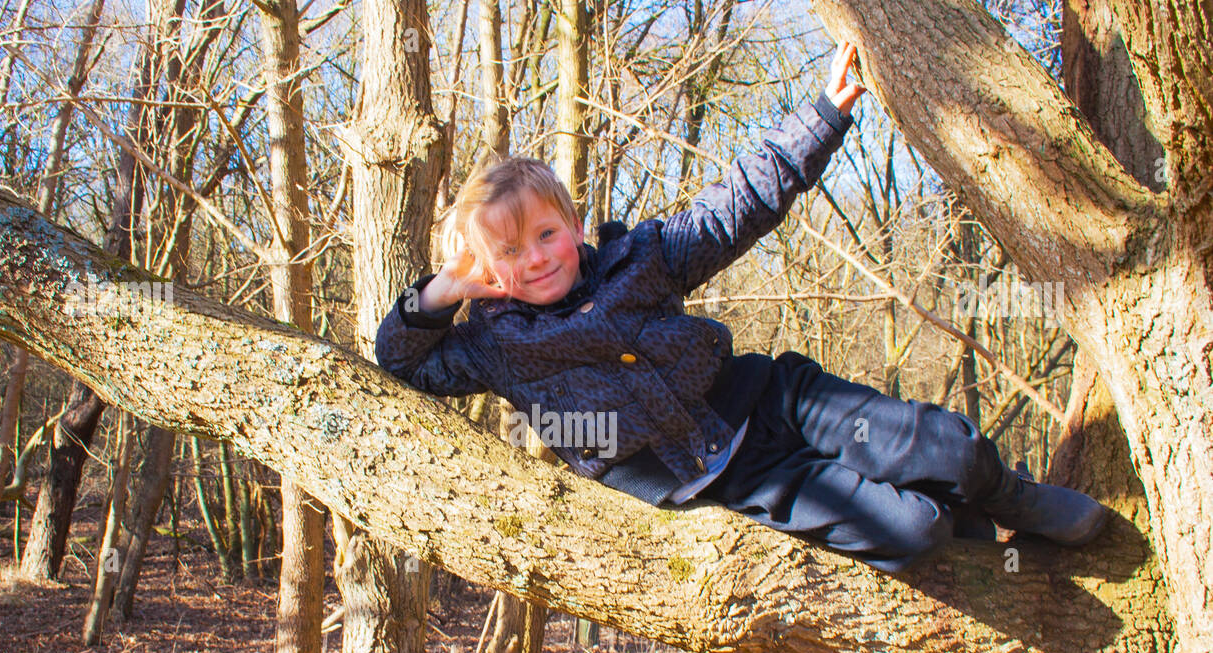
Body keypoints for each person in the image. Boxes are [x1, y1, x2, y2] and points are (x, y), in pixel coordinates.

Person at [375, 41, 1107, 572]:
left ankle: (1009, 493)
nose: (535, 258)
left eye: (545, 234)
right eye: (509, 253)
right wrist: (441, 294)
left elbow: (735, 207)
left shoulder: (642, 258)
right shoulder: (492, 346)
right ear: (486, 268)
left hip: (772, 401)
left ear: (572, 226)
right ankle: (968, 526)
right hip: (724, 480)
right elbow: (398, 362)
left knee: (950, 446)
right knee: (916, 533)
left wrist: (822, 118)